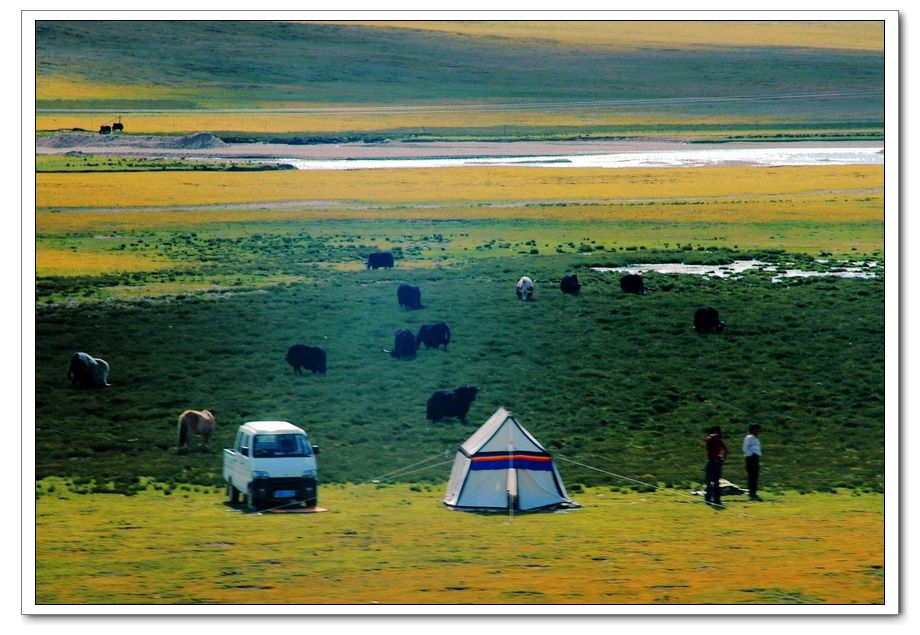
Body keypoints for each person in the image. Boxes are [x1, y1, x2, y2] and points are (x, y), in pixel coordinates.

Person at [704, 426, 728, 507]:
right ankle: (715, 499)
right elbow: (725, 450)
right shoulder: (717, 440)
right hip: (715, 461)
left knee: (711, 481)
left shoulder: (712, 439)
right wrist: (723, 458)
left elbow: (725, 449)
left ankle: (710, 499)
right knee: (714, 482)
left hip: (712, 461)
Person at [743, 424, 763, 501]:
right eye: (757, 429)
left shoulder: (756, 438)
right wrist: (751, 455)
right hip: (751, 458)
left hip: (756, 458)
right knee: (752, 475)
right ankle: (752, 492)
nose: (758, 431)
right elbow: (745, 448)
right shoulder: (749, 438)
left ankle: (754, 491)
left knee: (755, 476)